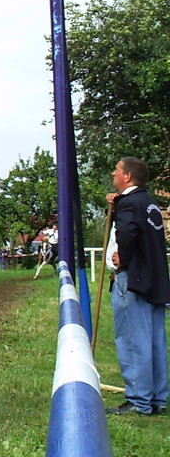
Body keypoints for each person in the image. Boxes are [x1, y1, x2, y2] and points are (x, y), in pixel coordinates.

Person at [104, 157, 170, 416]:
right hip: (155, 280)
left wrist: (123, 256)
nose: (114, 173)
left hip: (132, 280)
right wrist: (116, 203)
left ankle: (138, 400)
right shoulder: (150, 203)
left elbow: (128, 231)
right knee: (155, 341)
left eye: (117, 170)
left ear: (127, 176)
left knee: (132, 339)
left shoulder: (129, 203)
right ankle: (158, 399)